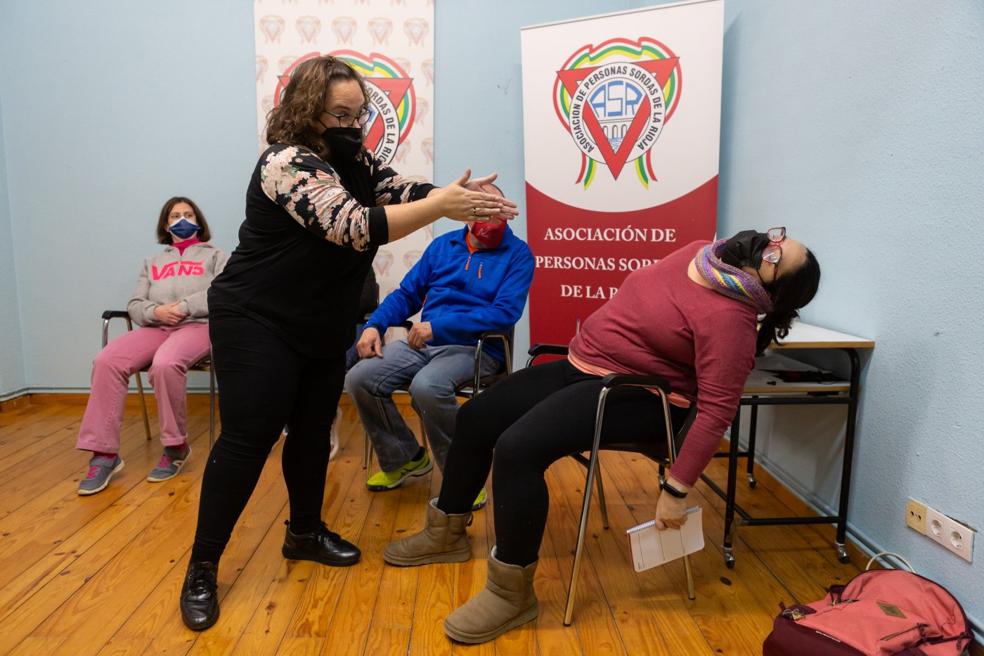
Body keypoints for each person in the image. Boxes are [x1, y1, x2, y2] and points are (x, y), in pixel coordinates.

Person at [180, 55, 517, 631]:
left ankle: (304, 533)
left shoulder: (353, 157)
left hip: (317, 318)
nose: (353, 124)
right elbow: (353, 224)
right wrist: (441, 209)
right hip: (255, 316)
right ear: (307, 111)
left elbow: (394, 188)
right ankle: (202, 568)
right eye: (341, 114)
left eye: (358, 113)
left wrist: (454, 194)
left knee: (312, 431)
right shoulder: (285, 162)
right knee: (249, 438)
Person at [383, 228, 821, 644]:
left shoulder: (733, 320)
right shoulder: (701, 253)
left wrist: (677, 487)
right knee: (478, 415)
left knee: (518, 449)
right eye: (775, 238)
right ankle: (447, 533)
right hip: (584, 366)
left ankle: (510, 593)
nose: (767, 242)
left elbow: (716, 410)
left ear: (771, 292)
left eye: (776, 256)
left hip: (644, 398)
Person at [345, 189, 534, 505]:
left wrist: (438, 327)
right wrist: (375, 325)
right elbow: (407, 294)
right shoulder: (443, 247)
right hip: (425, 344)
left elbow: (504, 313)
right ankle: (405, 458)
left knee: (427, 386)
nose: (488, 218)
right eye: (480, 209)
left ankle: (464, 476)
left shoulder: (518, 255)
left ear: (507, 211)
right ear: (466, 212)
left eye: (495, 209)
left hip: (477, 348)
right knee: (359, 378)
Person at [75, 197, 226, 495]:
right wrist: (155, 312)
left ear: (199, 221)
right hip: (157, 326)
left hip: (199, 325)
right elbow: (135, 304)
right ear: (165, 225)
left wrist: (183, 307)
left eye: (188, 214)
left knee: (166, 363)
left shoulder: (217, 256)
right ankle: (104, 454)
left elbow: (222, 292)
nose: (182, 220)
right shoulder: (152, 262)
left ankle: (175, 447)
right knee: (107, 361)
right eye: (174, 216)